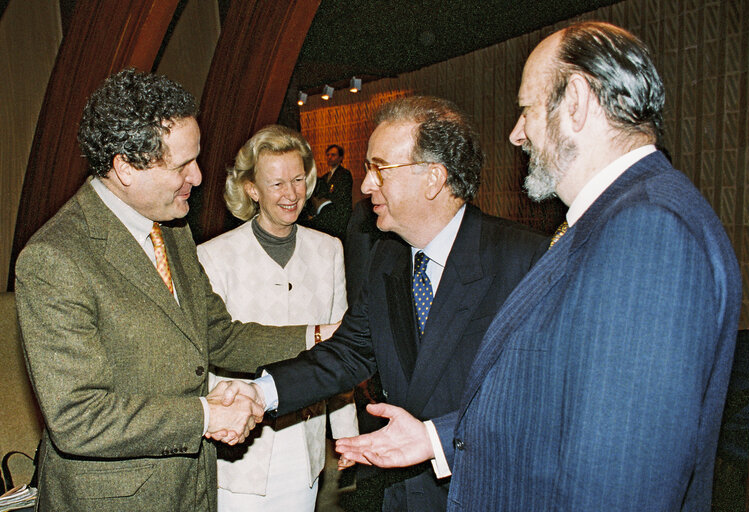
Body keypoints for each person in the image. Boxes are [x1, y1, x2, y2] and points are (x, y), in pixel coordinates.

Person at [334, 22, 742, 512]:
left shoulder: (647, 230)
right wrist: (435, 438)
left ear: (576, 100)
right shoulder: (616, 219)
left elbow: (622, 478)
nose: (516, 133)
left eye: (526, 109)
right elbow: (561, 403)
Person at [14, 68, 334, 511]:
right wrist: (207, 414)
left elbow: (219, 336)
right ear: (126, 167)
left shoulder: (172, 230)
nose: (199, 177)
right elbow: (78, 417)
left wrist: (319, 336)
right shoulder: (55, 258)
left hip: (192, 488)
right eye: (183, 164)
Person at [257, 95, 549, 511]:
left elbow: (540, 400)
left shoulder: (524, 261)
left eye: (380, 169)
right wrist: (262, 393)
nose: (365, 185)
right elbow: (350, 352)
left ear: (433, 178)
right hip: (405, 496)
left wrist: (434, 437)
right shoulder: (387, 257)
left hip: (484, 492)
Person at [196, 125, 357, 511]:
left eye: (299, 179)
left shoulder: (329, 250)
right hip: (240, 452)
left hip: (305, 445)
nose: (291, 194)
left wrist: (347, 433)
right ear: (252, 189)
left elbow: (344, 351)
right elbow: (216, 349)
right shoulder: (213, 256)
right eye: (277, 183)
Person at [300, 145, 353, 239]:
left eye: (333, 155)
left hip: (339, 217)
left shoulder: (344, 174)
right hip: (325, 215)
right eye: (328, 155)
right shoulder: (325, 177)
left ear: (341, 157)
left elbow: (341, 198)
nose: (329, 157)